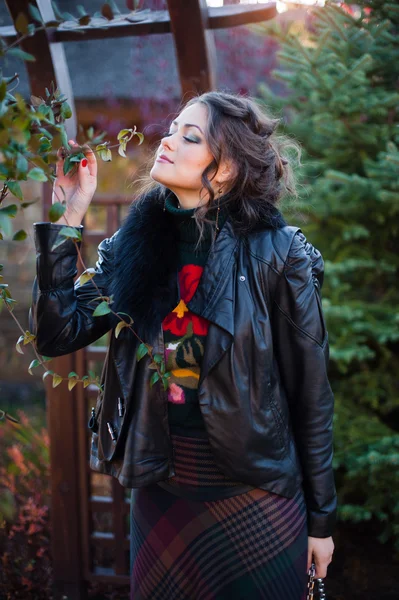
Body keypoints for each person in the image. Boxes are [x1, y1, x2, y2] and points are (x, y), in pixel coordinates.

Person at [30, 91, 336, 600]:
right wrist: (68, 218)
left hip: (255, 497)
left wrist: (321, 522)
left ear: (227, 168)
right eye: (172, 129)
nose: (167, 141)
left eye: (189, 136)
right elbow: (58, 332)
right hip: (162, 489)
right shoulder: (135, 245)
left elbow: (312, 395)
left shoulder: (278, 255)